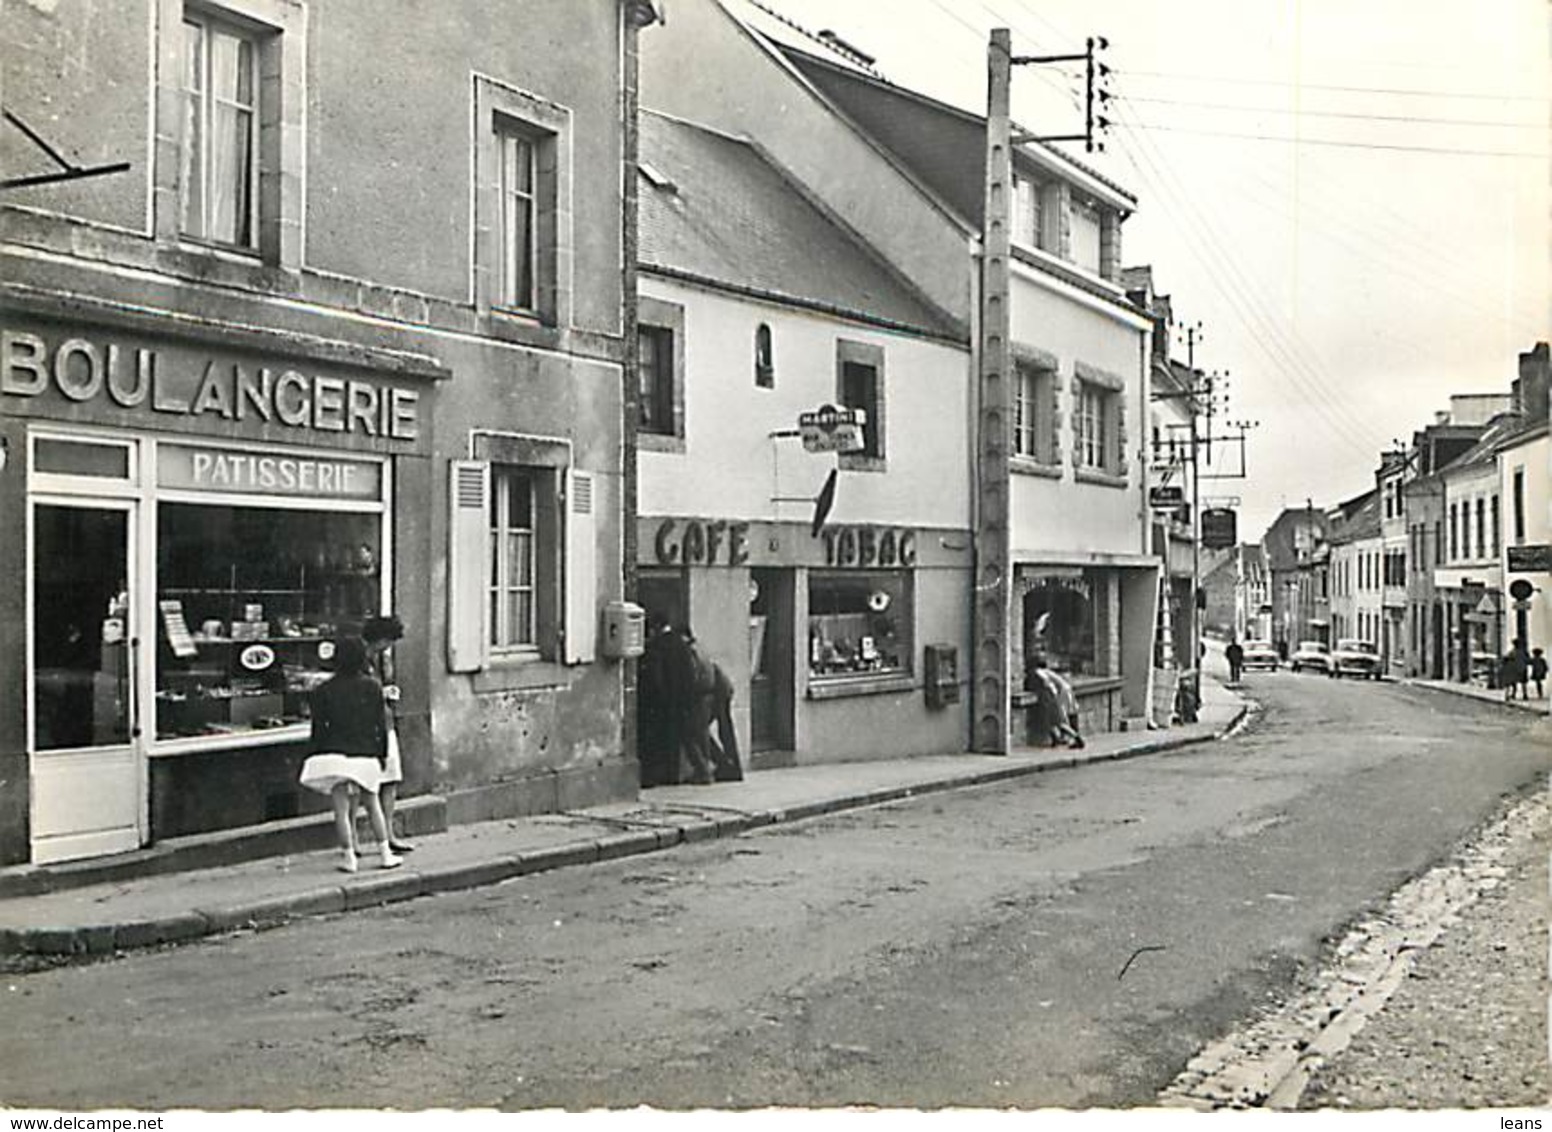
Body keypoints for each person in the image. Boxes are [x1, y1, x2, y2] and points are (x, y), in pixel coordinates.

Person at [299, 636, 401, 873]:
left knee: (341, 809)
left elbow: (318, 728)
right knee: (372, 804)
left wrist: (314, 752)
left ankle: (349, 857)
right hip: (365, 753)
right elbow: (379, 724)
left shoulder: (323, 690)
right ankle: (386, 854)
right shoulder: (372, 687)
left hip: (335, 754)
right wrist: (382, 753)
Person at [362, 614, 414, 853]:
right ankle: (357, 839)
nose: (390, 646)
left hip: (386, 723)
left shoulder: (383, 661)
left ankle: (388, 834)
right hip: (365, 726)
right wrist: (381, 693)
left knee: (391, 779)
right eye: (389, 641)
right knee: (362, 784)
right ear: (381, 639)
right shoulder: (359, 660)